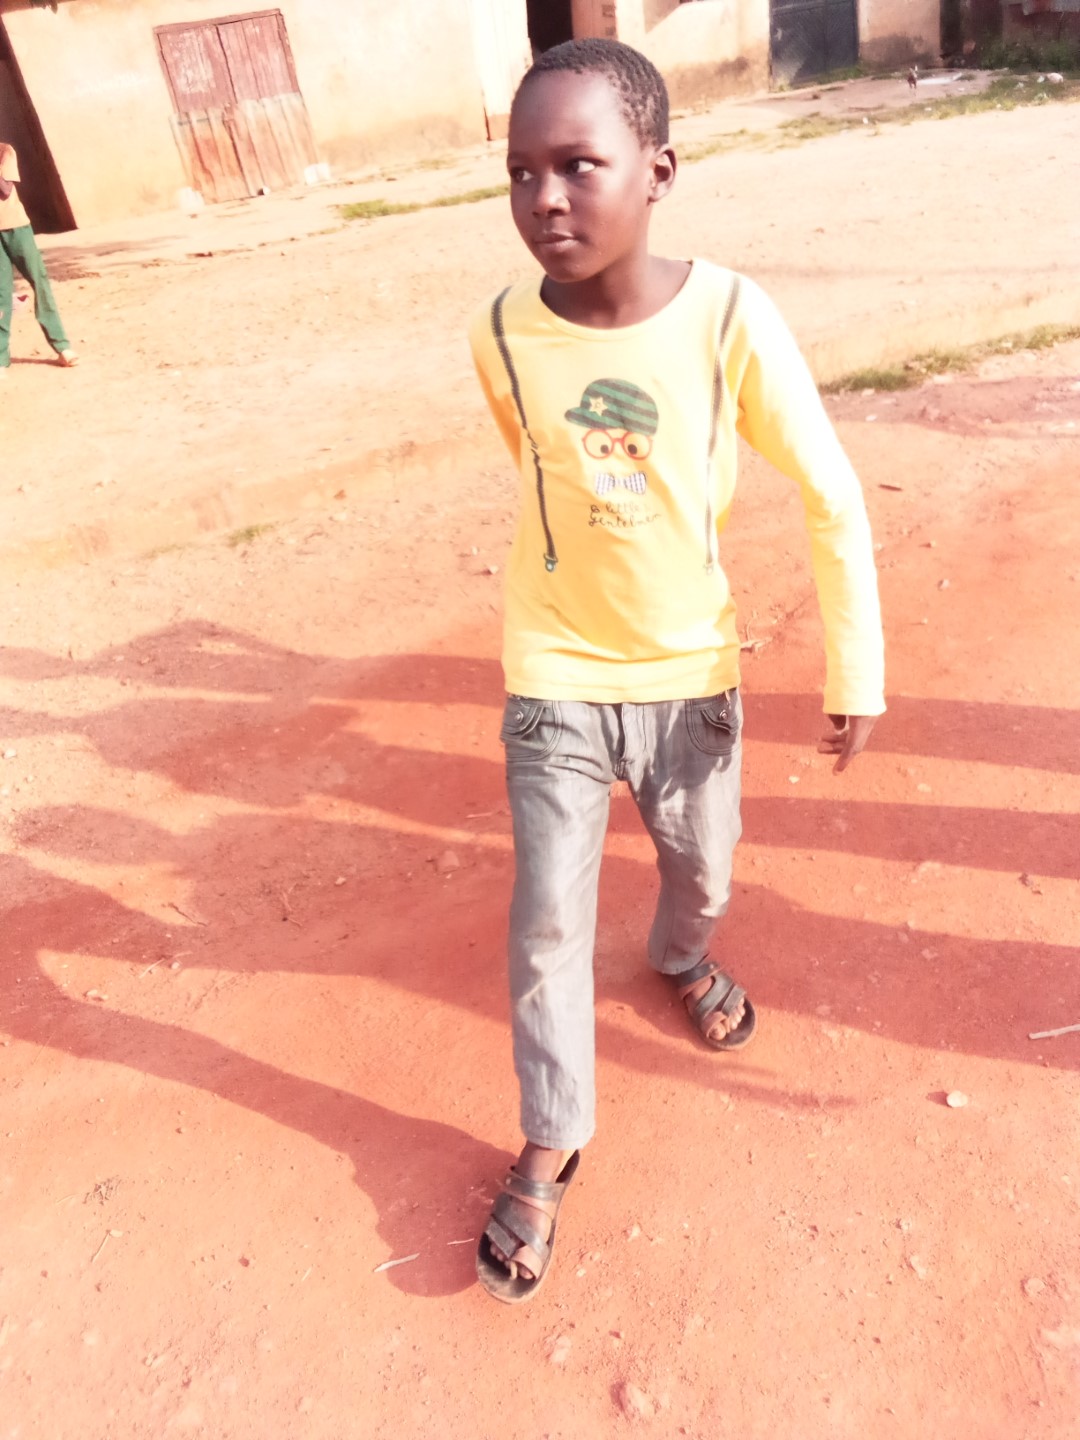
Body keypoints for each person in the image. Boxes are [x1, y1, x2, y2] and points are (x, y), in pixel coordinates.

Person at [468, 39, 885, 1304]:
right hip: (553, 669)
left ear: (657, 170)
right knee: (547, 916)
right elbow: (543, 475)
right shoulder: (499, 333)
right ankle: (554, 1137)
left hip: (692, 677)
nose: (545, 198)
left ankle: (682, 957)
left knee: (704, 869)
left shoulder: (728, 320)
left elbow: (828, 488)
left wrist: (856, 668)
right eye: (521, 171)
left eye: (578, 165)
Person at [0, 140, 77, 377]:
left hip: (16, 228)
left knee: (39, 280)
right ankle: (1, 357)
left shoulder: (5, 151)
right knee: (1, 293)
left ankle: (62, 346)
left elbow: (5, 190)